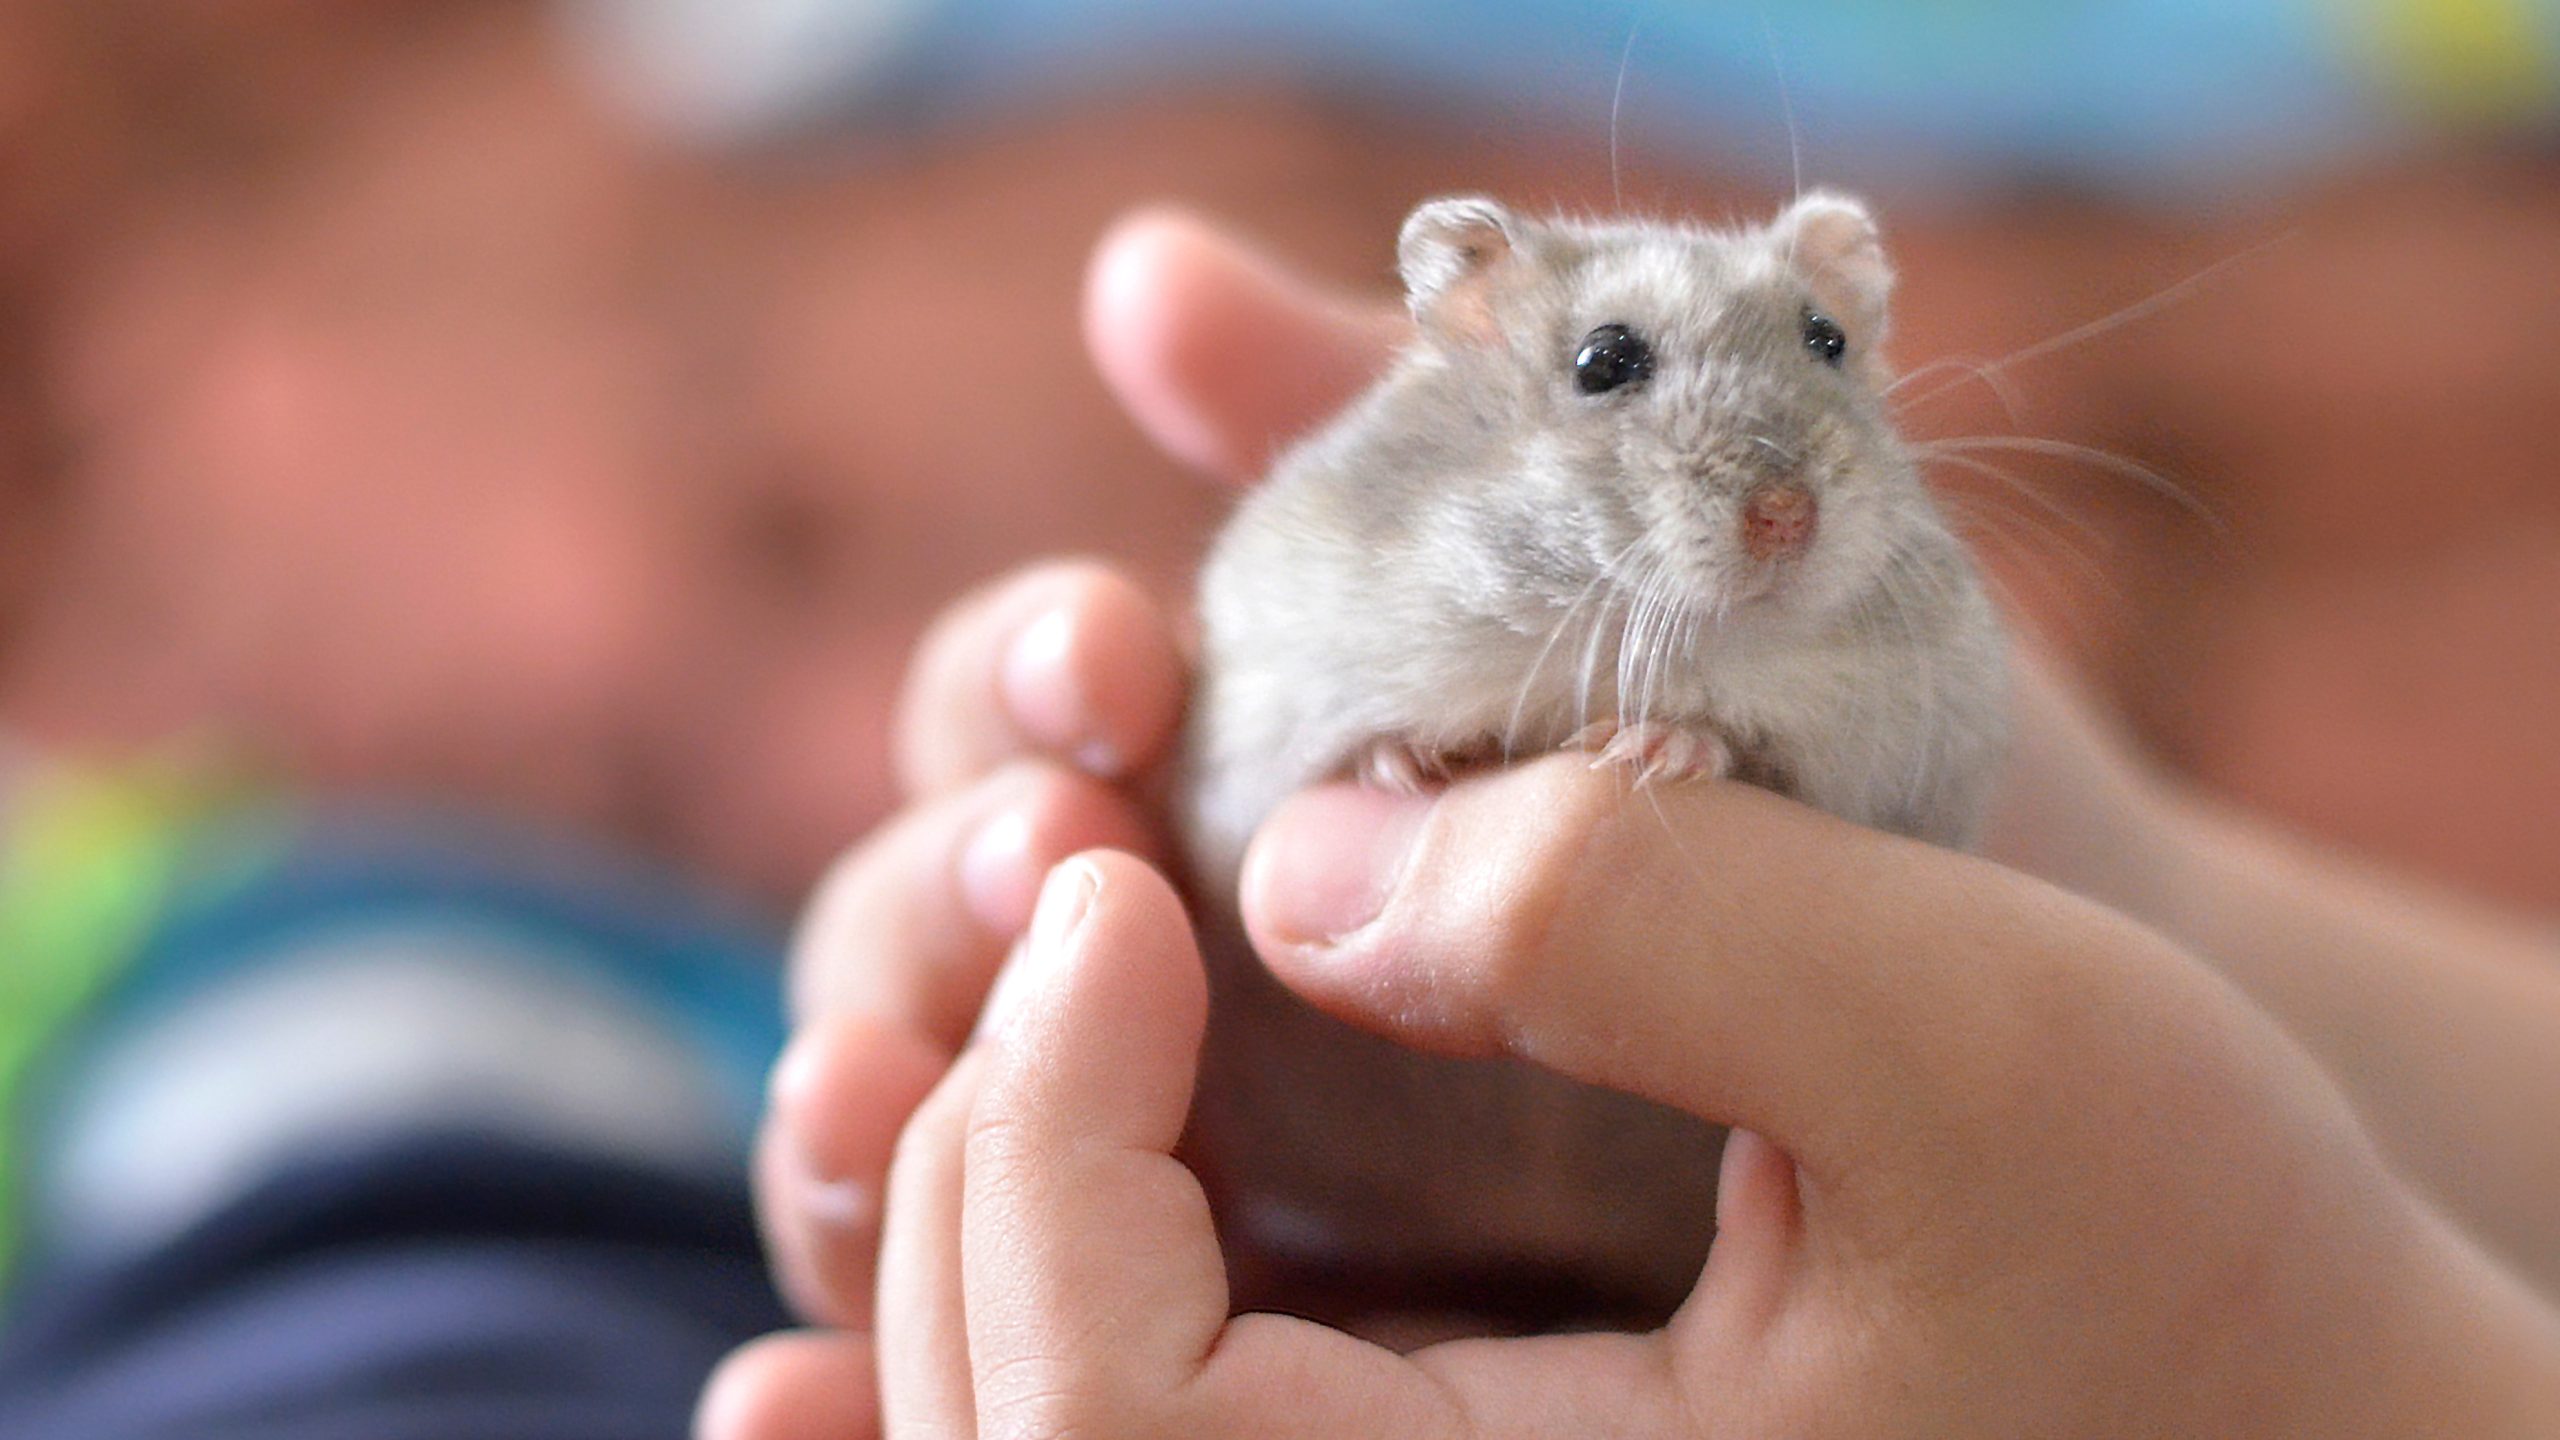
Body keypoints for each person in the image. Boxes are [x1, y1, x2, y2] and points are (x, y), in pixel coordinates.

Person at [702, 210, 2560, 1437]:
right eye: (1614, 370)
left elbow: (1932, 797)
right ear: (1477, 334)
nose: (1774, 485)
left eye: (1825, 356)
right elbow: (1258, 687)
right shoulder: (1363, 537)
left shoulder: (1914, 628)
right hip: (1323, 1181)